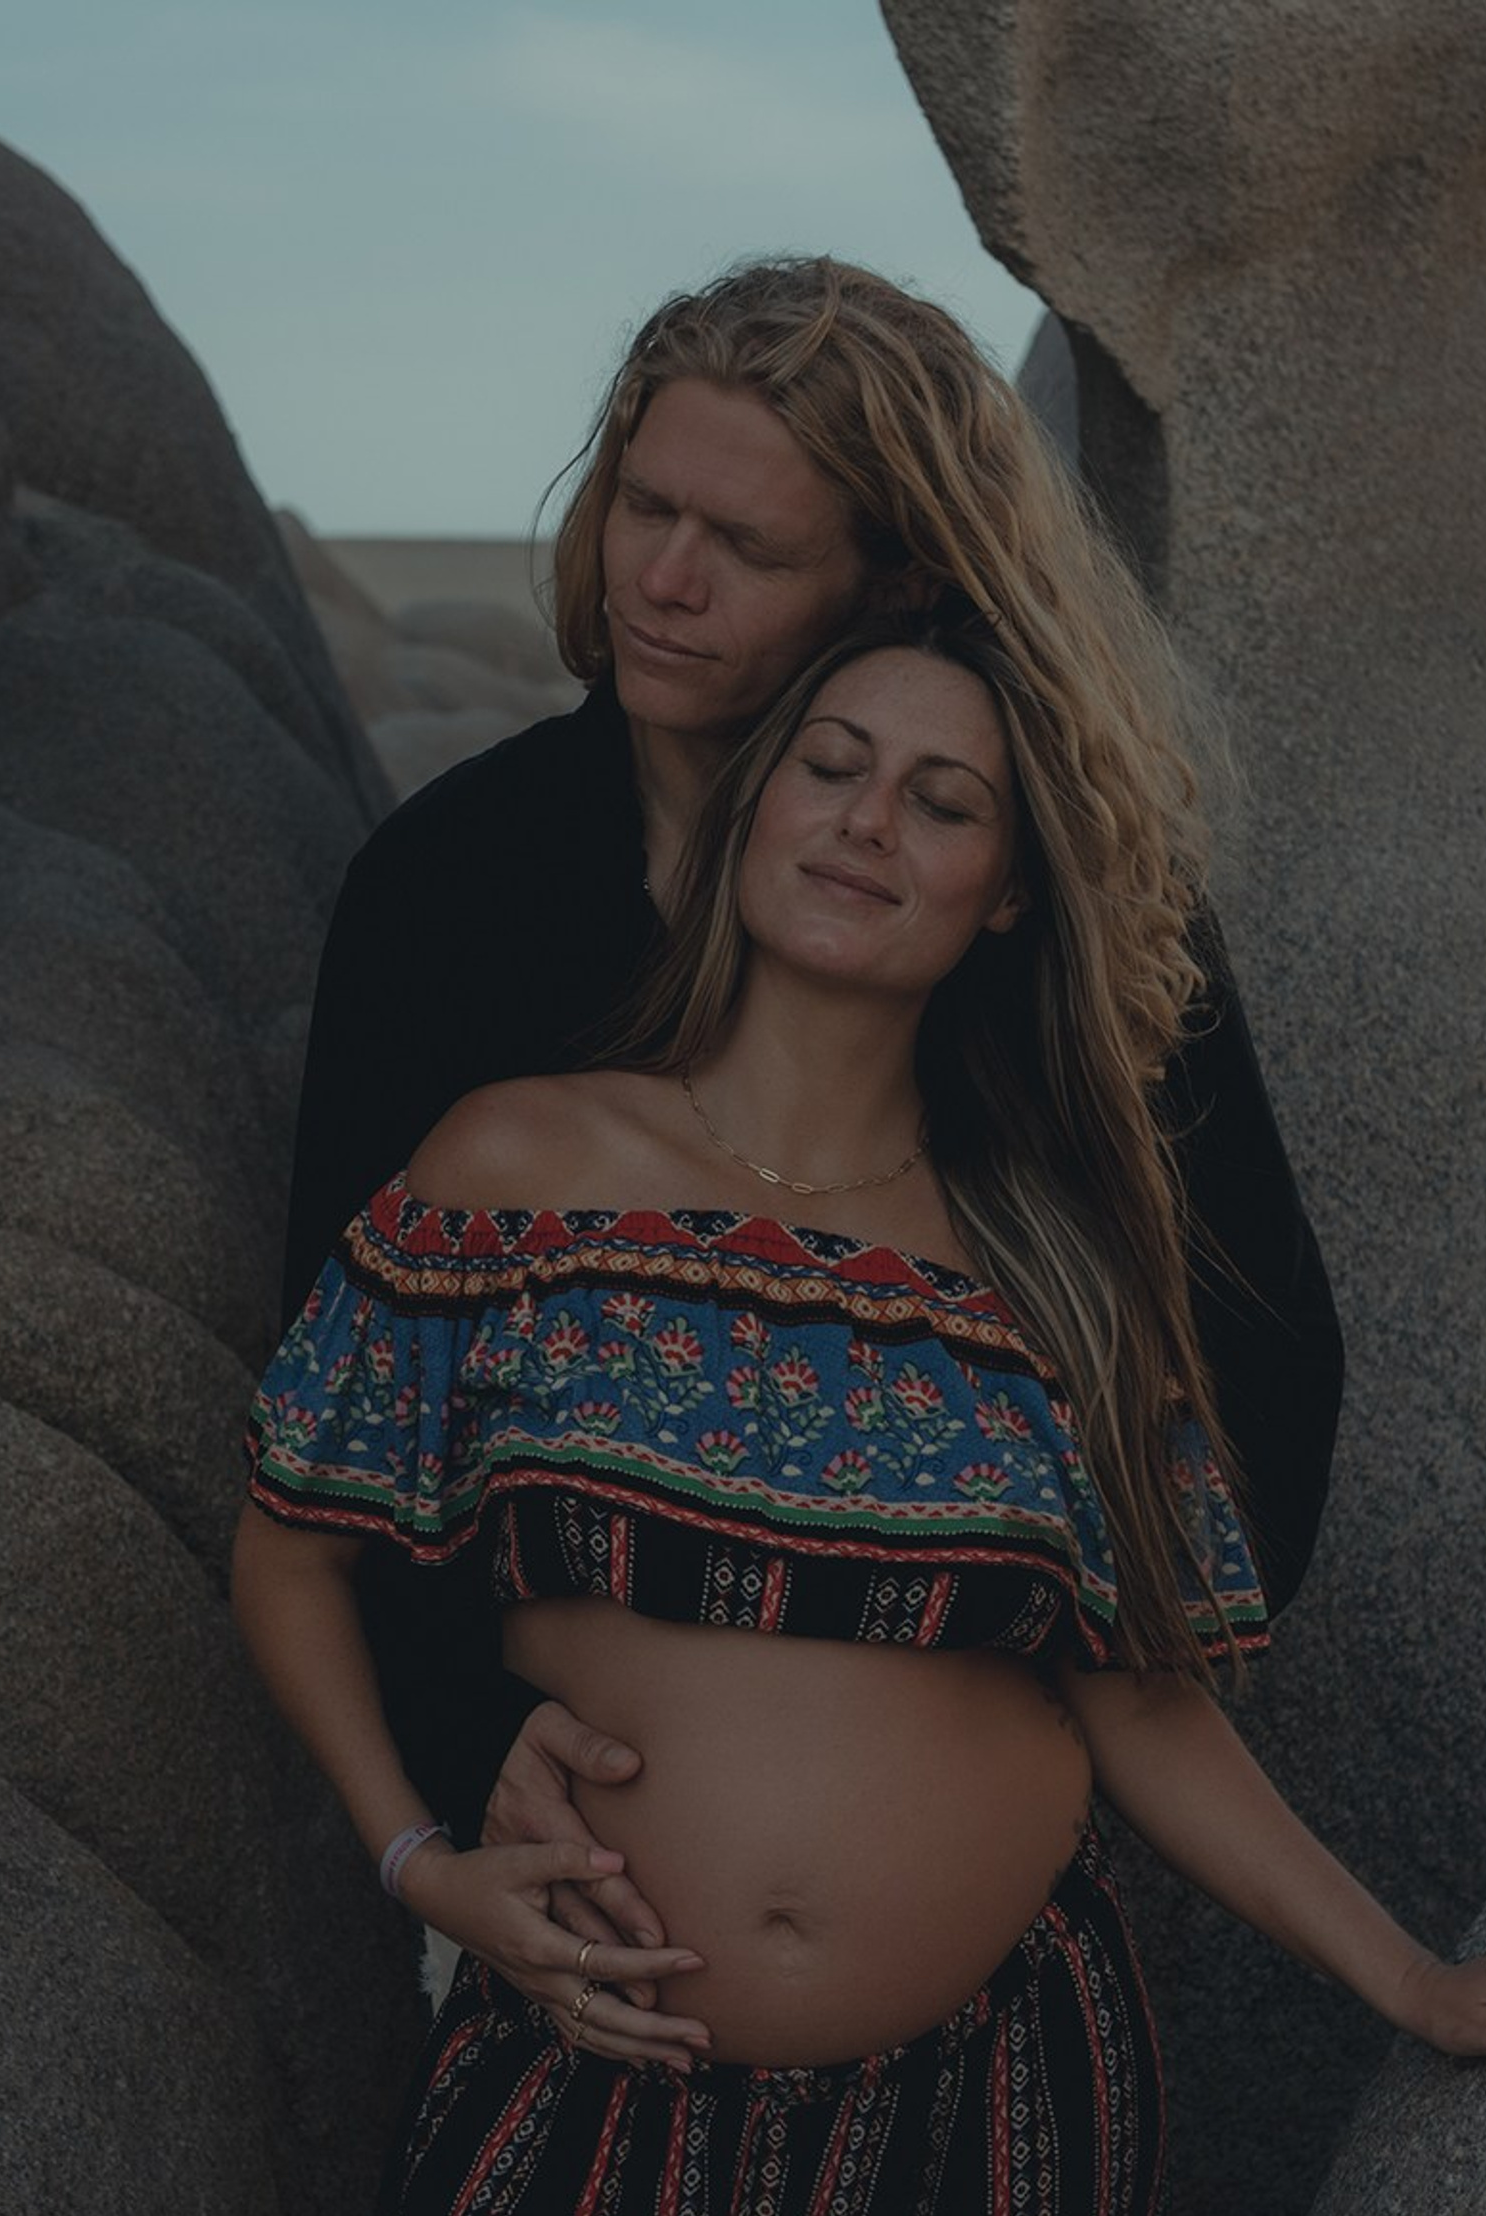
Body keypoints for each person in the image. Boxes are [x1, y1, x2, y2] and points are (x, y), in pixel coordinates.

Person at [234, 609, 1486, 2216]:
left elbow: (1133, 1698)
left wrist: (1413, 1979)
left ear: (1010, 887)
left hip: (999, 2114)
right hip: (599, 2055)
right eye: (830, 763)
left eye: (943, 801)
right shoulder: (520, 1161)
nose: (865, 822)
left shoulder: (1067, 1265)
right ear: (750, 802)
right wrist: (419, 1863)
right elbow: (288, 1546)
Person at [282, 259, 1344, 1969]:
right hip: (553, 1899)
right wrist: (468, 1755)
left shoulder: (1051, 899)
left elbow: (1264, 1361)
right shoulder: (450, 890)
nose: (664, 582)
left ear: (895, 575)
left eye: (751, 548)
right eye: (644, 506)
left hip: (994, 1957)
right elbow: (340, 1419)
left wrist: (1000, 1715)